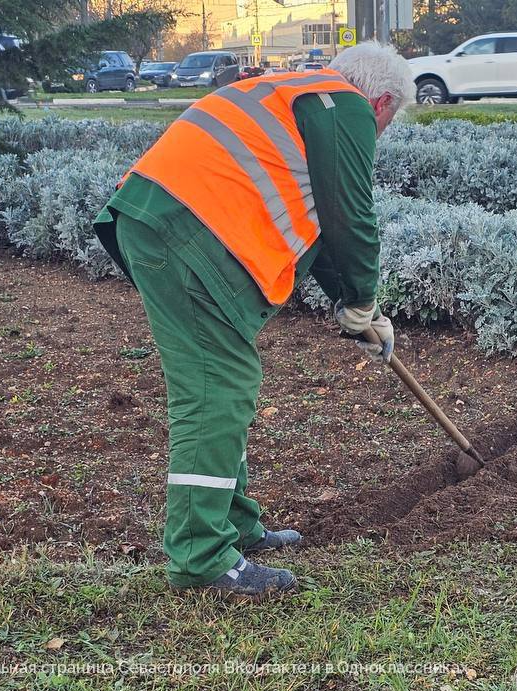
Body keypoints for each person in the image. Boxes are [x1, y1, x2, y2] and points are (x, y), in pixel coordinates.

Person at [91, 42, 414, 598]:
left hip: (160, 219)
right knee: (218, 387)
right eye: (389, 123)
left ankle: (235, 526)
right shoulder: (346, 105)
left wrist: (356, 310)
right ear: (382, 102)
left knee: (226, 383)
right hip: (185, 233)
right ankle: (202, 555)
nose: (379, 134)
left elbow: (322, 232)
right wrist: (363, 299)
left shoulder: (299, 93)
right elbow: (351, 215)